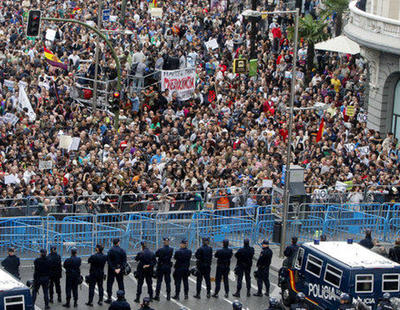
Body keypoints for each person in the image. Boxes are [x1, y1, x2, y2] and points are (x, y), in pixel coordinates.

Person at [105, 238, 127, 304]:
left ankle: (109, 298)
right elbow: (124, 261)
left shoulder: (110, 251)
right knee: (120, 283)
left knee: (109, 284)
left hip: (112, 270)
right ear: (118, 243)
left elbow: (109, 261)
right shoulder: (122, 251)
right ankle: (122, 297)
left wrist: (114, 269)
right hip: (119, 269)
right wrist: (120, 268)